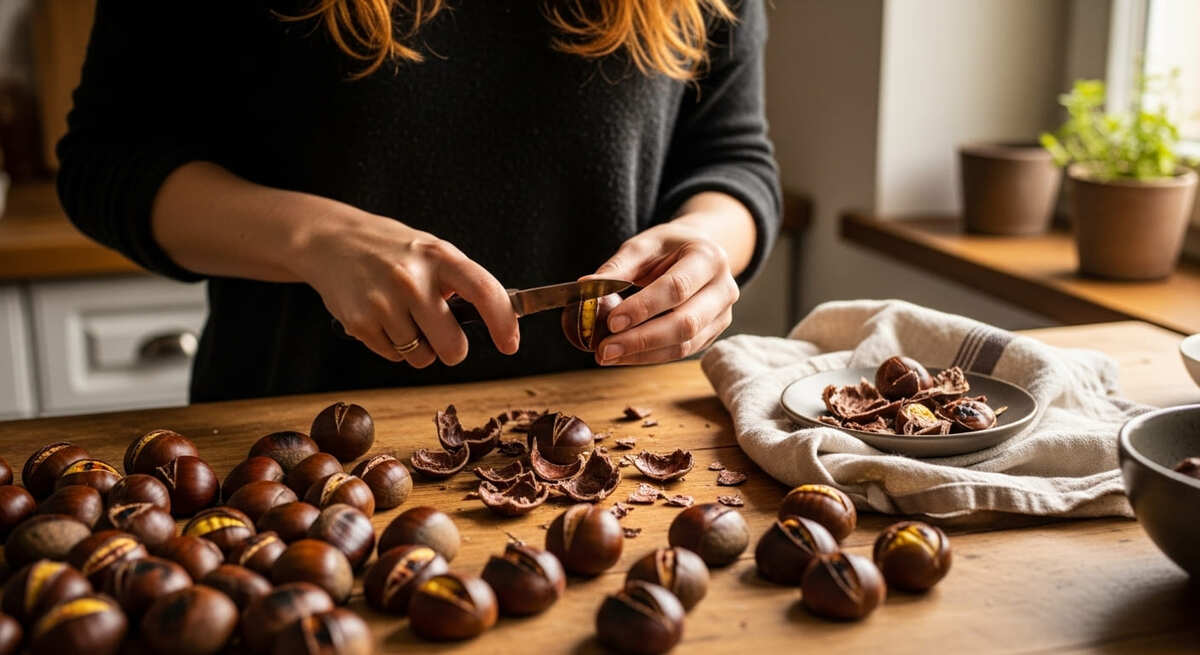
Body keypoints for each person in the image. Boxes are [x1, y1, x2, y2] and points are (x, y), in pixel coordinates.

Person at [57, 0, 780, 402]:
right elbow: (106, 164)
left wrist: (709, 243)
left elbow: (730, 158)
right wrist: (315, 239)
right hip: (295, 451)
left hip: (621, 442)